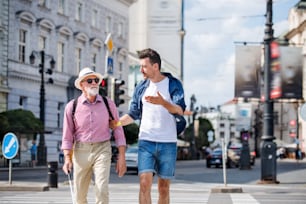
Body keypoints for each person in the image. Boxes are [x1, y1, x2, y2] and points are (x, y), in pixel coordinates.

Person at [112, 48, 186, 204]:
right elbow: (133, 114)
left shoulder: (173, 84)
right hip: (146, 141)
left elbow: (179, 110)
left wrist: (164, 103)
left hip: (168, 142)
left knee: (163, 188)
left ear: (155, 67)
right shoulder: (141, 87)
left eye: (144, 66)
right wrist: (116, 123)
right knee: (144, 183)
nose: (141, 70)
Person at [61, 67, 126, 204]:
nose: (94, 83)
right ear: (82, 85)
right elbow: (67, 135)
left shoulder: (108, 104)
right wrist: (67, 158)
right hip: (80, 151)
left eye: (96, 80)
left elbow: (118, 130)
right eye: (89, 80)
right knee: (79, 195)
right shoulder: (72, 107)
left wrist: (122, 157)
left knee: (102, 189)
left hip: (102, 149)